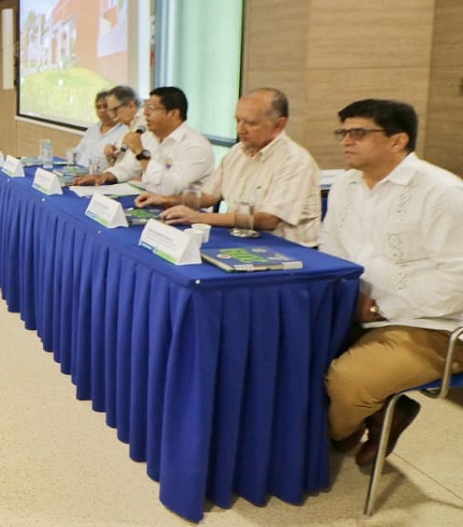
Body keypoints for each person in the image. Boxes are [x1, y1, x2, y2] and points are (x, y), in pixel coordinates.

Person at [320, 99, 463, 467]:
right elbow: (331, 250)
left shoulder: (441, 192)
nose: (346, 141)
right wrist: (351, 297)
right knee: (292, 350)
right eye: (343, 132)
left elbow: (457, 280)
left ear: (398, 141)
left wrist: (382, 307)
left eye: (359, 133)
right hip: (361, 310)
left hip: (432, 326)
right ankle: (383, 413)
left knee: (347, 381)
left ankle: (344, 430)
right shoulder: (345, 185)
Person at [136, 88, 322, 246]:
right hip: (243, 238)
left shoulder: (295, 160)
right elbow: (209, 196)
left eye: (251, 123)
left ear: (279, 124)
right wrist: (166, 200)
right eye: (238, 121)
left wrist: (199, 218)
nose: (240, 129)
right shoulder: (237, 151)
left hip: (288, 251)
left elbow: (268, 220)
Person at [74, 86, 214, 195]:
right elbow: (128, 168)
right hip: (152, 201)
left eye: (151, 108)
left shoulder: (195, 146)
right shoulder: (150, 136)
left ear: (173, 113)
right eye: (146, 107)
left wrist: (140, 152)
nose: (145, 113)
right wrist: (103, 177)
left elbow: (169, 188)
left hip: (186, 216)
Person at [70, 90, 128, 168]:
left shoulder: (124, 132)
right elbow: (77, 151)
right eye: (98, 107)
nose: (102, 110)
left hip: (99, 175)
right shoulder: (92, 129)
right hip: (77, 170)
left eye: (105, 106)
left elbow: (119, 164)